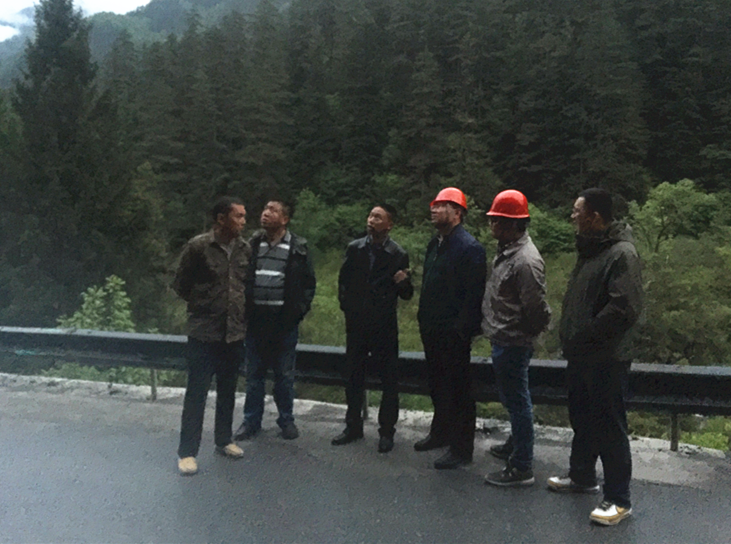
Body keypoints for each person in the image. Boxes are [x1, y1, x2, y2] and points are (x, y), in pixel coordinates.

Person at [548, 188, 643, 526]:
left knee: (609, 425)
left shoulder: (621, 254)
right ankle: (582, 475)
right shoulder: (591, 250)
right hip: (582, 354)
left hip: (606, 356)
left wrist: (585, 336)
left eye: (578, 211)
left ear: (595, 217)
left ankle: (619, 499)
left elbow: (623, 309)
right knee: (583, 417)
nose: (573, 216)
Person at [173, 196, 251, 476]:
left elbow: (247, 285)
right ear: (221, 219)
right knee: (197, 393)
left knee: (228, 390)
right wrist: (204, 305)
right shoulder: (198, 247)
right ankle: (187, 452)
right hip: (204, 332)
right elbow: (181, 284)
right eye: (238, 216)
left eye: (244, 216)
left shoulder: (244, 249)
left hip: (234, 332)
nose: (243, 221)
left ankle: (224, 439)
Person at [481, 190, 551, 487]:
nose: (492, 225)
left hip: (513, 341)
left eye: (497, 220)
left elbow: (536, 308)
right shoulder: (507, 250)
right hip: (503, 336)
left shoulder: (524, 261)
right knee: (512, 398)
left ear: (513, 224)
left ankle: (522, 465)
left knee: (518, 401)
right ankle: (516, 445)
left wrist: (524, 333)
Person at [414, 187, 487, 469]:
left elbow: (473, 296)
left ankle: (461, 448)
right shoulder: (436, 244)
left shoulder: (469, 248)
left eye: (441, 205)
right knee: (437, 384)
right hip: (431, 328)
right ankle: (441, 432)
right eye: (434, 205)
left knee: (459, 390)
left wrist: (461, 330)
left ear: (457, 212)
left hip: (453, 333)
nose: (433, 209)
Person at [332, 205, 413, 453]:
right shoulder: (355, 248)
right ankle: (353, 426)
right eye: (370, 215)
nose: (371, 220)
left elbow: (407, 294)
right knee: (353, 375)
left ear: (389, 224)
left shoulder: (398, 253)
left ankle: (386, 431)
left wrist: (403, 282)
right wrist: (347, 307)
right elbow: (343, 281)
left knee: (389, 379)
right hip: (357, 323)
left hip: (383, 324)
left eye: (378, 217)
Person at [234, 200, 316, 441]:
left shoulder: (298, 247)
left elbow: (308, 284)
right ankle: (251, 421)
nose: (266, 213)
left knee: (284, 375)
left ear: (285, 219)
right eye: (265, 209)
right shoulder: (252, 244)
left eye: (273, 210)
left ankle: (286, 420)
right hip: (256, 320)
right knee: (254, 375)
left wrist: (298, 312)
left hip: (283, 322)